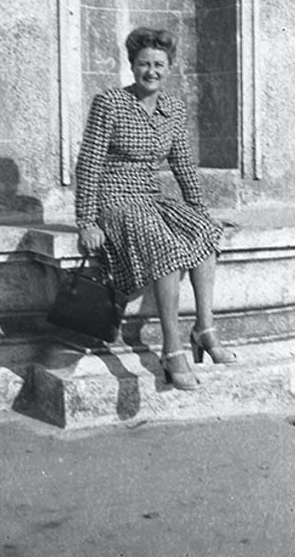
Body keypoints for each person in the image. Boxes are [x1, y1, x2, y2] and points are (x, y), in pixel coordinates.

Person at [74, 27, 236, 391]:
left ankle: (204, 330)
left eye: (159, 64)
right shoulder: (110, 103)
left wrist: (199, 209)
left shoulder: (173, 109)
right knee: (165, 247)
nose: (152, 71)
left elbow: (182, 164)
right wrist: (86, 221)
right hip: (115, 200)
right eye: (144, 63)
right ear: (132, 66)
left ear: (169, 68)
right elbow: (89, 163)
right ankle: (172, 350)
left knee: (204, 232)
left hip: (150, 195)